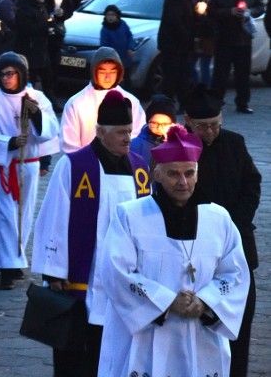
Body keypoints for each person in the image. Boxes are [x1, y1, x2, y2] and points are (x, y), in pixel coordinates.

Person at [98, 126, 249, 376]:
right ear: (156, 174)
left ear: (198, 174)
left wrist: (206, 302)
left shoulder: (218, 218)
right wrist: (167, 302)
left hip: (201, 334)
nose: (183, 182)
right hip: (147, 336)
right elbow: (116, 273)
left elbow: (236, 274)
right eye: (173, 174)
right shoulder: (131, 216)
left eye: (189, 173)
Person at [33, 90, 150, 377]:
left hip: (123, 277)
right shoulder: (74, 166)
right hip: (83, 278)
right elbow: (55, 217)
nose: (127, 138)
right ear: (99, 132)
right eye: (121, 132)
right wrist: (54, 270)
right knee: (75, 357)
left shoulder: (140, 169)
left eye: (129, 131)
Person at [183, 86, 261, 377]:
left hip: (239, 242)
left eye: (216, 125)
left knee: (239, 323)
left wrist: (234, 224)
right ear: (188, 121)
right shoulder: (181, 150)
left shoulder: (235, 144)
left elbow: (251, 186)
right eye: (204, 127)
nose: (211, 132)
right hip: (198, 247)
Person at [0, 52, 59, 289]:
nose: (6, 78)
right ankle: (6, 268)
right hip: (3, 167)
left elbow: (50, 129)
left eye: (11, 73)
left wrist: (35, 115)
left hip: (28, 165)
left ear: (21, 74)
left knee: (23, 214)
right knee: (5, 216)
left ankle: (15, 259)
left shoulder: (36, 98)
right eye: (2, 74)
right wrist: (10, 142)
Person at [60, 47, 145, 153]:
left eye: (112, 72)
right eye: (102, 71)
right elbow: (69, 144)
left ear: (119, 73)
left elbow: (137, 137)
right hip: (87, 164)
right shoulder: (76, 103)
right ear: (94, 72)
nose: (108, 77)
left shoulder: (131, 102)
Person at [208, 0, 262, 114]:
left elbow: (259, 7)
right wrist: (229, 12)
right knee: (220, 74)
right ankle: (216, 102)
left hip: (244, 39)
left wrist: (250, 12)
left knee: (243, 74)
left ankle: (242, 103)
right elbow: (211, 12)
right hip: (224, 38)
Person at [158, 0, 195, 109]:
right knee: (174, 77)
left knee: (177, 76)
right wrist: (186, 35)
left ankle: (176, 103)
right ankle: (169, 104)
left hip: (175, 45)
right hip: (175, 46)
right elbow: (176, 21)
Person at [130, 95, 177, 167]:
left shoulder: (179, 145)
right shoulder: (135, 145)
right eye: (154, 123)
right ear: (148, 121)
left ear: (173, 123)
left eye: (165, 124)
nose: (159, 127)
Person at [99, 4, 134, 75]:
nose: (110, 17)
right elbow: (104, 45)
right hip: (112, 59)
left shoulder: (123, 24)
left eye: (112, 15)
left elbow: (129, 36)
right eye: (108, 15)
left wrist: (130, 47)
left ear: (117, 16)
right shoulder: (105, 29)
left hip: (125, 57)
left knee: (126, 76)